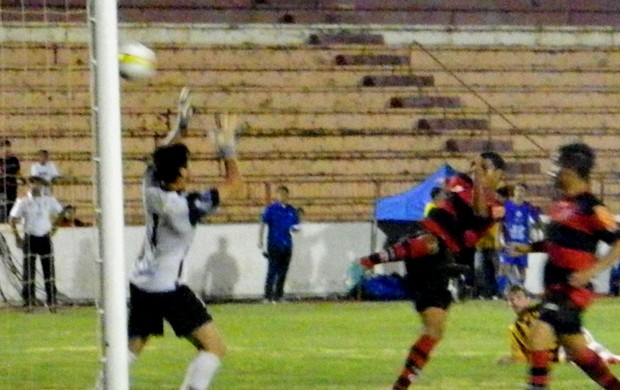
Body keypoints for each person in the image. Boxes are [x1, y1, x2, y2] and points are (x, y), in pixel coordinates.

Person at [122, 87, 245, 390]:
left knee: (131, 348)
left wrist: (181, 124)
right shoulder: (185, 207)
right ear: (179, 175)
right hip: (167, 288)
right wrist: (227, 148)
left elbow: (160, 156)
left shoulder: (150, 187)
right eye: (187, 166)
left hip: (141, 282)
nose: (191, 170)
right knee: (214, 347)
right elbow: (235, 184)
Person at [359, 151, 506, 390]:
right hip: (427, 240)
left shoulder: (500, 207)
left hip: (443, 265)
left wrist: (478, 178)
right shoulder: (459, 181)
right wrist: (476, 176)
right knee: (431, 243)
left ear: (499, 176)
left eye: (485, 167)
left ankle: (401, 385)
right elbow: (460, 198)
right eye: (475, 166)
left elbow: (479, 211)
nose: (476, 170)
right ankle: (369, 260)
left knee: (434, 330)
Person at [509, 143, 620, 389]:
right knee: (579, 352)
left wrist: (591, 271)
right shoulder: (562, 204)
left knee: (539, 336)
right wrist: (528, 248)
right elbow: (555, 243)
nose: (553, 171)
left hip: (572, 291)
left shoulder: (592, 207)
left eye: (556, 165)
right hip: (555, 287)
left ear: (570, 170)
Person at [497, 285, 620, 365]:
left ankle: (607, 357)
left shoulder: (542, 310)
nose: (515, 303)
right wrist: (510, 360)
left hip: (567, 338)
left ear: (528, 299)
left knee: (583, 348)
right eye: (511, 300)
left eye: (518, 298)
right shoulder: (515, 329)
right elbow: (521, 357)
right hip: (559, 352)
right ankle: (607, 358)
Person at [8, 176, 64, 312]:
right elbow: (12, 218)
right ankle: (29, 302)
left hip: (44, 237)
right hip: (30, 237)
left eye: (38, 183)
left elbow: (62, 212)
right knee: (28, 271)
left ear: (42, 185)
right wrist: (17, 236)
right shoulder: (23, 201)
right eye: (32, 183)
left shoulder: (49, 200)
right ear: (29, 185)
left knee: (49, 270)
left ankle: (52, 301)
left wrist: (55, 227)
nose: (35, 186)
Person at [497, 183, 542, 294]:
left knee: (521, 268)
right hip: (509, 243)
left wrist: (535, 229)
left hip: (523, 243)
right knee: (504, 267)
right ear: (514, 192)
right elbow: (500, 223)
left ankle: (520, 289)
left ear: (525, 193)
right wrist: (499, 238)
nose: (519, 193)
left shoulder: (528, 207)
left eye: (522, 190)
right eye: (517, 190)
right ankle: (500, 291)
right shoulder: (507, 206)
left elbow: (538, 222)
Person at [258, 185, 300, 303]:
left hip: (287, 244)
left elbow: (295, 226)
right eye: (280, 194)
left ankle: (279, 295)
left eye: (284, 194)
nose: (282, 196)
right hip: (274, 243)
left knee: (283, 271)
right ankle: (267, 296)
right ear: (277, 195)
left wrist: (296, 229)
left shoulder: (291, 210)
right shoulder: (271, 209)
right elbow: (262, 223)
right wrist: (260, 240)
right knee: (272, 270)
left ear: (287, 195)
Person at [0, 139, 22, 223]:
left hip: (12, 188)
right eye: (4, 147)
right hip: (1, 189)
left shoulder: (14, 160)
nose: (6, 150)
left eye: (8, 147)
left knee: (12, 207)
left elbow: (18, 172)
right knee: (2, 208)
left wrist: (24, 181)